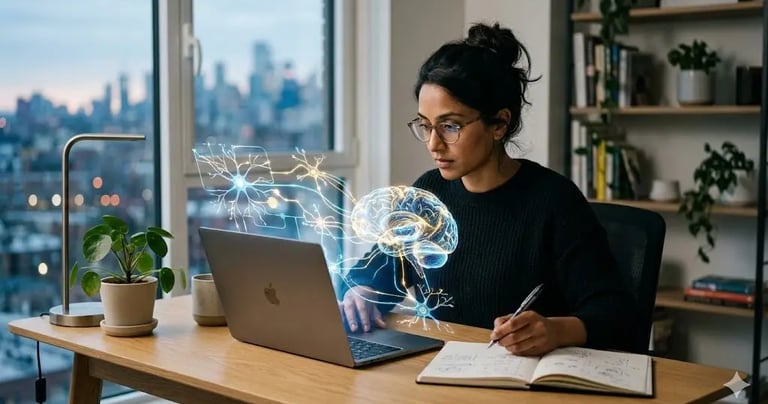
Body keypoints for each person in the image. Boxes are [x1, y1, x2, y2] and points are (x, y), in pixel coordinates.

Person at [337, 22, 642, 356]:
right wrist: (361, 292)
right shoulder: (428, 193)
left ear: (499, 124)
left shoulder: (554, 201)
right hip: (437, 372)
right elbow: (372, 274)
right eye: (425, 126)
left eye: (450, 126)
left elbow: (619, 317)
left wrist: (555, 329)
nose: (433, 144)